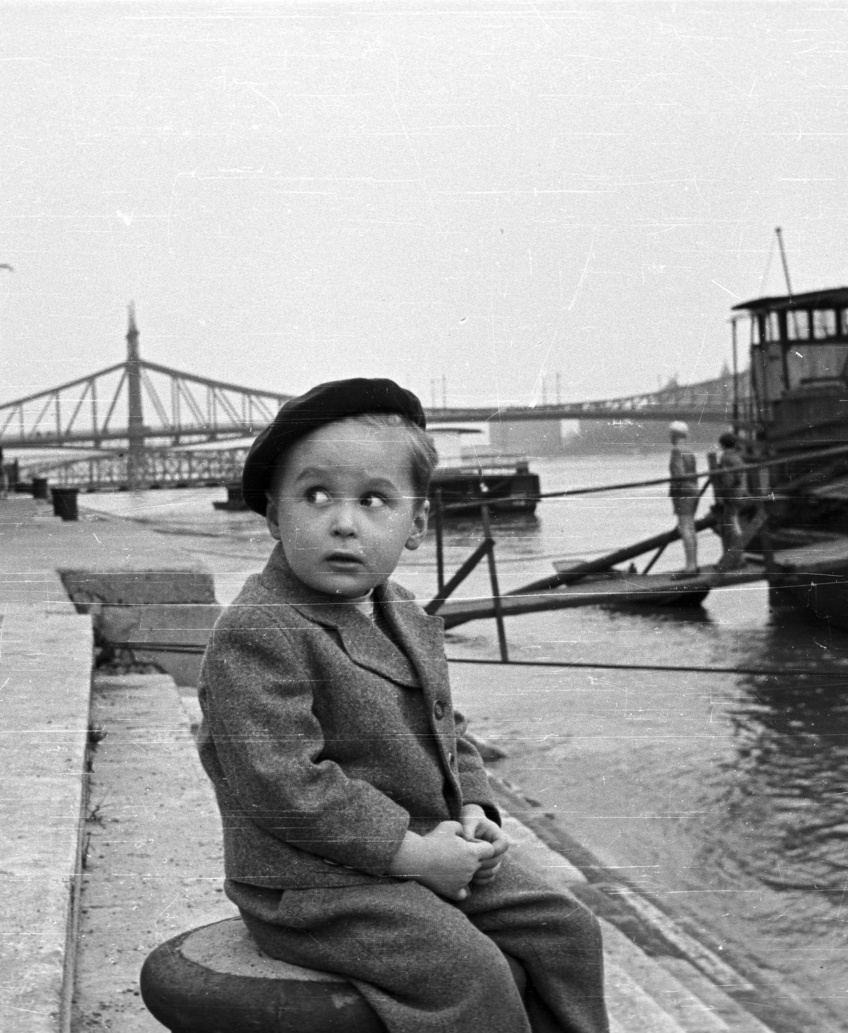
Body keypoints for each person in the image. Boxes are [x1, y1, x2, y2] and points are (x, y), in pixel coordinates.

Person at [196, 378, 607, 1033]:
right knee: (466, 971)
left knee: (566, 928)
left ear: (415, 525)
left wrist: (474, 807)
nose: (343, 521)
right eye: (316, 495)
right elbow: (285, 785)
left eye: (375, 500)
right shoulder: (259, 630)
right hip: (316, 885)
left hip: (424, 850)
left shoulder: (406, 613)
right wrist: (413, 856)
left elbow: (450, 730)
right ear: (274, 514)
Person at [667, 420, 700, 574]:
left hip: (683, 493)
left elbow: (678, 474)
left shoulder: (676, 450)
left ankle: (690, 566)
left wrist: (675, 490)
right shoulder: (690, 450)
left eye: (670, 434)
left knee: (685, 528)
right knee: (691, 528)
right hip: (693, 490)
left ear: (674, 434)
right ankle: (693, 563)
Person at [711, 431, 746, 571]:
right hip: (738, 493)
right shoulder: (737, 457)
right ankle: (735, 557)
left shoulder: (726, 458)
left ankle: (738, 558)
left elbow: (726, 479)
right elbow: (740, 476)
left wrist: (721, 495)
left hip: (731, 495)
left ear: (722, 445)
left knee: (732, 525)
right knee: (732, 523)